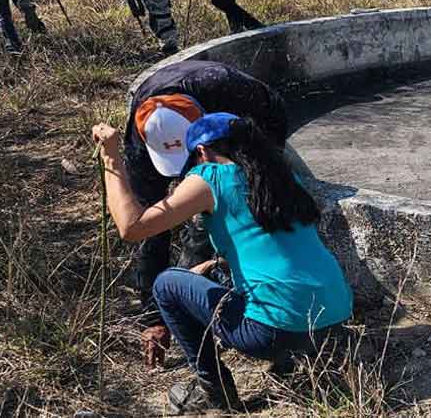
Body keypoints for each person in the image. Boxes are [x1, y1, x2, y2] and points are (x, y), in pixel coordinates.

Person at [92, 112, 352, 414]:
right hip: (334, 318)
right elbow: (271, 246)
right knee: (222, 277)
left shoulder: (210, 177)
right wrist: (212, 264)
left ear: (202, 152)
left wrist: (111, 156)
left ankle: (215, 393)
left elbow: (131, 227)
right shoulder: (281, 176)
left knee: (166, 284)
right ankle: (298, 357)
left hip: (273, 332)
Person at [124, 60, 290, 370]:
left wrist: (262, 175)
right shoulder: (138, 142)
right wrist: (154, 315)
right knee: (182, 217)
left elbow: (275, 121)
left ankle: (224, 293)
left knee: (215, 217)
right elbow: (147, 228)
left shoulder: (229, 90)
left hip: (248, 124)